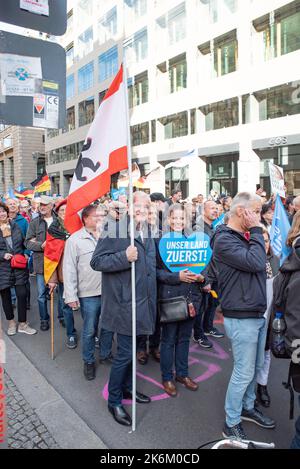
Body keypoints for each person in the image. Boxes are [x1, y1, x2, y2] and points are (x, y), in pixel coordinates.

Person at [212, 192, 276, 440]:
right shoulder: (224, 239)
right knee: (243, 371)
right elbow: (257, 262)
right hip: (241, 316)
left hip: (256, 312)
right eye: (257, 211)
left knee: (256, 366)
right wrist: (258, 232)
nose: (260, 217)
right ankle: (231, 421)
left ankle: (248, 407)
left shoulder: (244, 236)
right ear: (242, 212)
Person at [91, 191, 157, 427]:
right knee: (125, 354)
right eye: (138, 205)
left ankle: (128, 389)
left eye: (147, 206)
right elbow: (97, 262)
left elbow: (151, 269)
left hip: (144, 304)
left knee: (132, 352)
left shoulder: (149, 232)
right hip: (124, 305)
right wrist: (123, 257)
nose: (143, 209)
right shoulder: (114, 229)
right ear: (129, 207)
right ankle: (114, 400)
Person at [157, 204, 205, 397]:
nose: (178, 222)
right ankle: (167, 377)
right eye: (174, 218)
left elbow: (204, 267)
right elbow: (155, 272)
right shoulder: (160, 242)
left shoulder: (193, 242)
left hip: (192, 298)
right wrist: (177, 277)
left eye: (182, 219)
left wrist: (203, 279)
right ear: (168, 220)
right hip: (171, 298)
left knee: (184, 338)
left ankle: (182, 374)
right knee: (168, 340)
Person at [63, 205, 104, 380]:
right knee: (88, 329)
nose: (100, 218)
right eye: (97, 216)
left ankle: (105, 352)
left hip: (109, 291)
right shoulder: (74, 240)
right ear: (86, 218)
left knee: (107, 327)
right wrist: (70, 295)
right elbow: (69, 268)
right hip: (88, 293)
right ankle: (88, 361)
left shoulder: (107, 236)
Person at [0, 202, 36, 336]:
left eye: (4, 211)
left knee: (22, 294)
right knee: (6, 297)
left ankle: (22, 323)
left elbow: (25, 241)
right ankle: (11, 323)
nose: (2, 213)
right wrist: (2, 255)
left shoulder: (15, 226)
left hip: (19, 265)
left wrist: (26, 253)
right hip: (3, 267)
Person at [46, 199, 77, 349]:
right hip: (64, 275)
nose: (65, 213)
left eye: (67, 210)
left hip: (82, 274)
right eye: (62, 210)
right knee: (66, 307)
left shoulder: (79, 226)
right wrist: (52, 279)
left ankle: (92, 334)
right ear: (57, 213)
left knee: (88, 307)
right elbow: (50, 256)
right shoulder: (53, 230)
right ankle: (71, 334)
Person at [193, 200, 224, 349]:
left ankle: (208, 327)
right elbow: (199, 257)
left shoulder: (213, 228)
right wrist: (205, 280)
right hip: (205, 275)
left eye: (217, 208)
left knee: (212, 303)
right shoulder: (198, 230)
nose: (215, 211)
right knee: (201, 306)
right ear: (203, 211)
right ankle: (198, 334)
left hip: (215, 272)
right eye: (212, 208)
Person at [256, 227, 280, 408]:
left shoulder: (277, 261)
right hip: (252, 317)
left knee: (265, 355)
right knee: (249, 359)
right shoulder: (249, 262)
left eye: (266, 241)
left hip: (270, 317)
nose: (263, 244)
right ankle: (248, 391)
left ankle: (262, 387)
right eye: (259, 240)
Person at [25, 195, 56, 331]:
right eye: (40, 204)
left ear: (51, 206)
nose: (42, 207)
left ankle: (62, 317)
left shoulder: (59, 221)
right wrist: (40, 246)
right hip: (41, 263)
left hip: (57, 262)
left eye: (45, 204)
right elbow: (27, 243)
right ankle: (44, 319)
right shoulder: (34, 222)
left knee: (60, 294)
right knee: (41, 294)